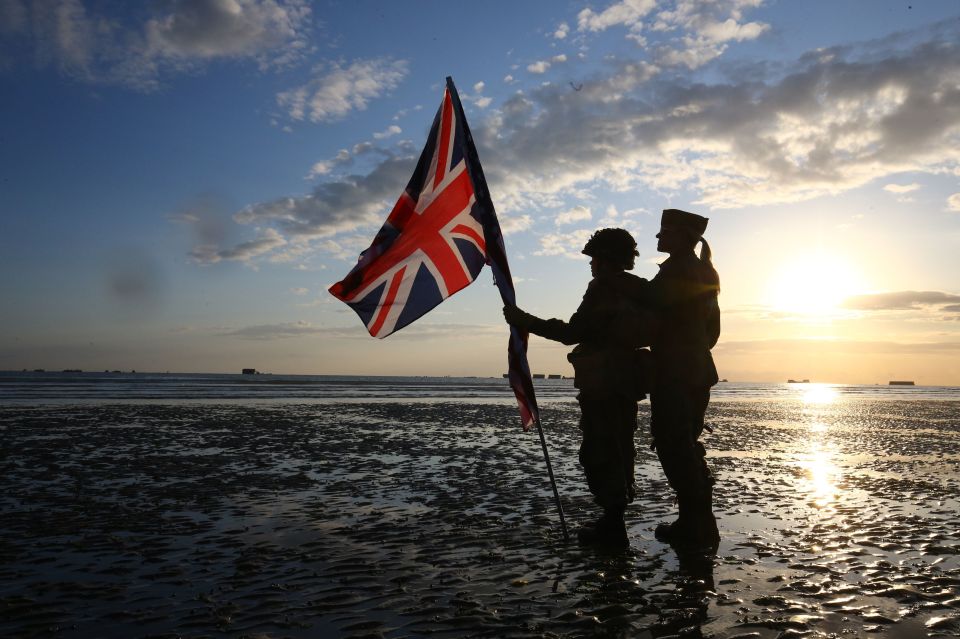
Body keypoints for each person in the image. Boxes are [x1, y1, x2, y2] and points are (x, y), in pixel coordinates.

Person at [503, 228, 654, 547]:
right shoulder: (640, 288)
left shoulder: (603, 287)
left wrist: (524, 320)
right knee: (621, 447)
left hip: (603, 382)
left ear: (605, 259)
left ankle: (613, 526)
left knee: (600, 450)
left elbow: (572, 332)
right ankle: (615, 521)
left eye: (594, 258)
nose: (591, 264)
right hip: (627, 382)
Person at [633, 208, 721, 550]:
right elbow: (712, 333)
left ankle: (695, 526)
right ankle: (698, 523)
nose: (658, 238)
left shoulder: (679, 270)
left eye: (664, 231)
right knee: (684, 446)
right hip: (695, 368)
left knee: (674, 448)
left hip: (677, 371)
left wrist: (619, 282)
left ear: (684, 237)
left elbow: (650, 301)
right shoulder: (701, 271)